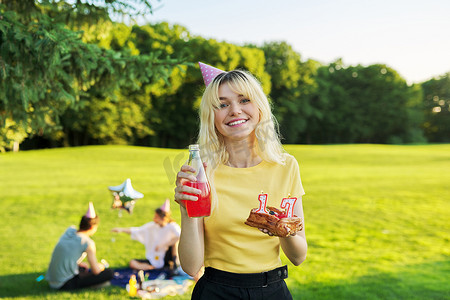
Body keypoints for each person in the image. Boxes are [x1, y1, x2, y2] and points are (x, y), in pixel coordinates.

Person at [173, 62, 307, 299]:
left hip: (273, 290)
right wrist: (186, 211)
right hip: (217, 291)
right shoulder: (202, 172)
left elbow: (298, 257)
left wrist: (283, 230)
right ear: (211, 116)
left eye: (244, 100)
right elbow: (191, 266)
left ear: (260, 107)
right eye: (222, 104)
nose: (234, 110)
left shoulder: (286, 166)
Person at [46, 202, 113, 290]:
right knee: (109, 273)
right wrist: (100, 267)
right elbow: (96, 271)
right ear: (92, 227)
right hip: (64, 284)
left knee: (83, 268)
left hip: (52, 280)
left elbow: (67, 251)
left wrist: (79, 264)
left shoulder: (70, 230)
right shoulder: (88, 243)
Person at [112, 199, 181, 272]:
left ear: (163, 218)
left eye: (156, 217)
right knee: (132, 263)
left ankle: (175, 265)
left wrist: (163, 245)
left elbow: (180, 236)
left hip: (168, 256)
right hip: (155, 257)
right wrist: (121, 230)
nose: (154, 219)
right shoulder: (152, 226)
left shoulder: (172, 226)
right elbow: (138, 230)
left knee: (175, 243)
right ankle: (151, 268)